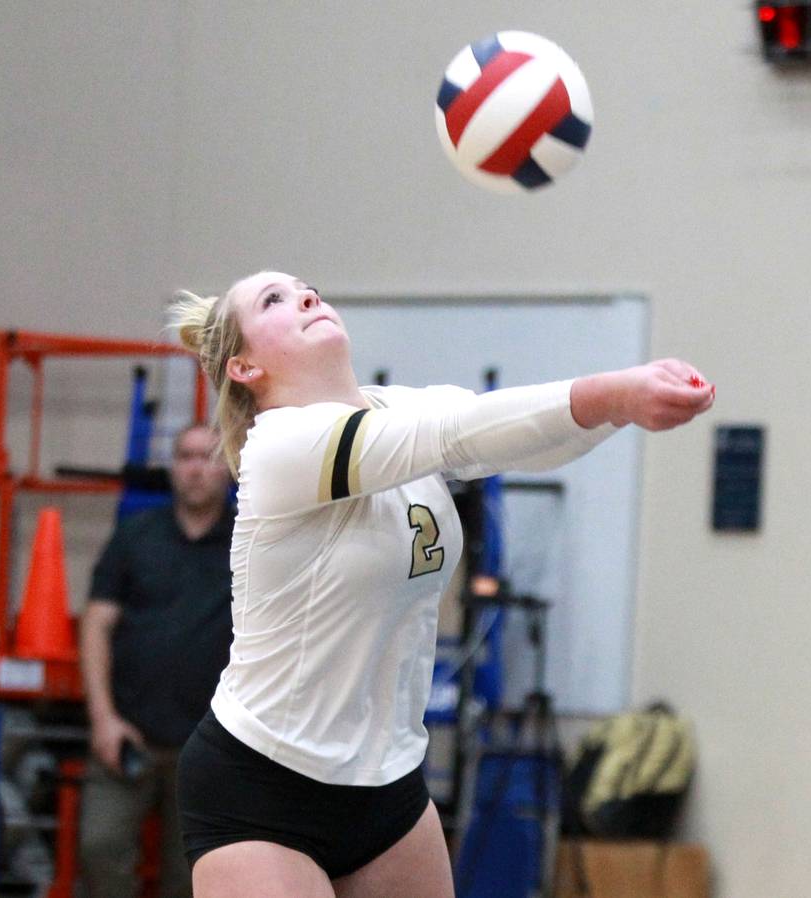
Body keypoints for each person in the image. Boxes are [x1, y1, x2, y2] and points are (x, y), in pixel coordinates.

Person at [171, 271, 715, 898]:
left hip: (388, 782)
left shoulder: (393, 408)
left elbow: (500, 438)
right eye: (273, 300)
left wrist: (622, 410)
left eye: (307, 288)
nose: (307, 298)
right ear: (243, 367)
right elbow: (455, 433)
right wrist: (614, 393)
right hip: (261, 787)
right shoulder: (280, 447)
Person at [78, 423, 235, 898]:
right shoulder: (134, 536)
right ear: (172, 467)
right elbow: (96, 625)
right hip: (127, 736)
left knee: (194, 876)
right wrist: (103, 719)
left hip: (210, 748)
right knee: (99, 848)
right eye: (185, 457)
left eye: (208, 457)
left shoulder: (249, 542)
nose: (195, 468)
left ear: (228, 469)